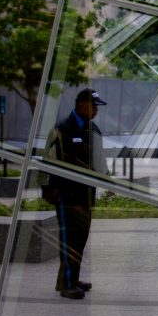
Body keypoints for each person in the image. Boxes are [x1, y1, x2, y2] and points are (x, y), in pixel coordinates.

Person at [44, 88, 107, 300]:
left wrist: (107, 182)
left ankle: (72, 279)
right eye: (93, 105)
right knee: (69, 241)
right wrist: (49, 190)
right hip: (66, 196)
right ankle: (67, 284)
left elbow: (99, 163)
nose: (96, 110)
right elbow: (49, 162)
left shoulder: (94, 130)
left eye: (97, 107)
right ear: (81, 104)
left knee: (79, 240)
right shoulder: (62, 129)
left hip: (86, 196)